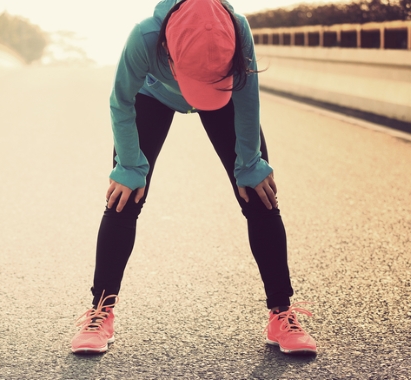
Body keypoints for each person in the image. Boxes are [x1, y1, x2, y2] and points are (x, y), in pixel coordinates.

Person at [71, 0, 317, 355]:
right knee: (125, 196)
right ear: (167, 50)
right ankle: (100, 311)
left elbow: (247, 97)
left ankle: (282, 314)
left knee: (259, 192)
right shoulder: (145, 36)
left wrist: (250, 163)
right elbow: (121, 100)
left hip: (223, 93)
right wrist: (128, 166)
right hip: (154, 95)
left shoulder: (237, 27)